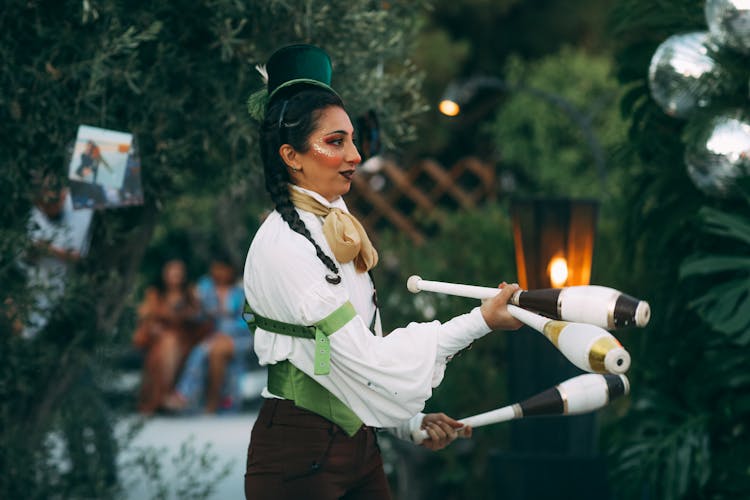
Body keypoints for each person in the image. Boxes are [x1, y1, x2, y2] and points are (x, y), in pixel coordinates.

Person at [242, 44, 522, 499]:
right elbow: (365, 360)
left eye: (353, 139)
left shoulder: (336, 226)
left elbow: (351, 359)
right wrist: (481, 321)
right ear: (291, 156)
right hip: (298, 458)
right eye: (336, 142)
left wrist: (406, 422)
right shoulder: (285, 247)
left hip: (359, 448)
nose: (356, 155)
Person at [163, 255, 254, 413]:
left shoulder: (241, 292)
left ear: (230, 270)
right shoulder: (206, 289)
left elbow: (248, 321)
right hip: (216, 338)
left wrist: (226, 332)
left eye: (222, 268)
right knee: (205, 352)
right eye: (216, 268)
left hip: (242, 338)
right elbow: (200, 315)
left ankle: (189, 396)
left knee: (212, 350)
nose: (219, 272)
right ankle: (209, 400)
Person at [132, 259, 208, 415]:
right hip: (159, 340)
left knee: (171, 343)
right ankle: (165, 397)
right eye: (172, 272)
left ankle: (165, 397)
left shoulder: (190, 293)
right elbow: (146, 317)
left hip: (184, 339)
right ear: (164, 274)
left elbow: (198, 317)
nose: (175, 276)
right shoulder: (155, 293)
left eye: (178, 273)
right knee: (167, 345)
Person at [23, 176, 93, 339]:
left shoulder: (79, 207)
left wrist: (46, 248)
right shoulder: (34, 215)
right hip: (41, 284)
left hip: (70, 288)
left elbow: (79, 255)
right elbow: (28, 256)